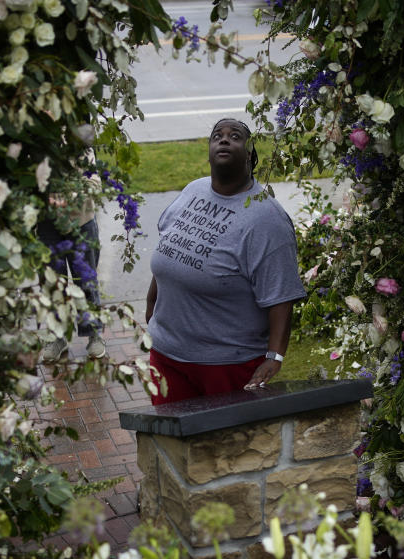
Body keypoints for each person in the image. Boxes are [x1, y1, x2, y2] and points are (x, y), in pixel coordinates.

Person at [144, 118, 306, 405]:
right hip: (167, 356)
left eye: (236, 136)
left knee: (223, 446)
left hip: (225, 365)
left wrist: (275, 356)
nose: (224, 139)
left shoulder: (266, 219)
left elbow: (281, 296)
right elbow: (169, 251)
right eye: (217, 135)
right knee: (169, 443)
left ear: (250, 155)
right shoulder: (192, 190)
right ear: (208, 152)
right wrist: (151, 314)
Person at [39, 149, 107, 361]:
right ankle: (57, 336)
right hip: (47, 222)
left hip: (81, 221)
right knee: (52, 282)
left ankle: (93, 334)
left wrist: (71, 196)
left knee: (85, 279)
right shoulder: (34, 138)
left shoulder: (78, 142)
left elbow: (94, 182)